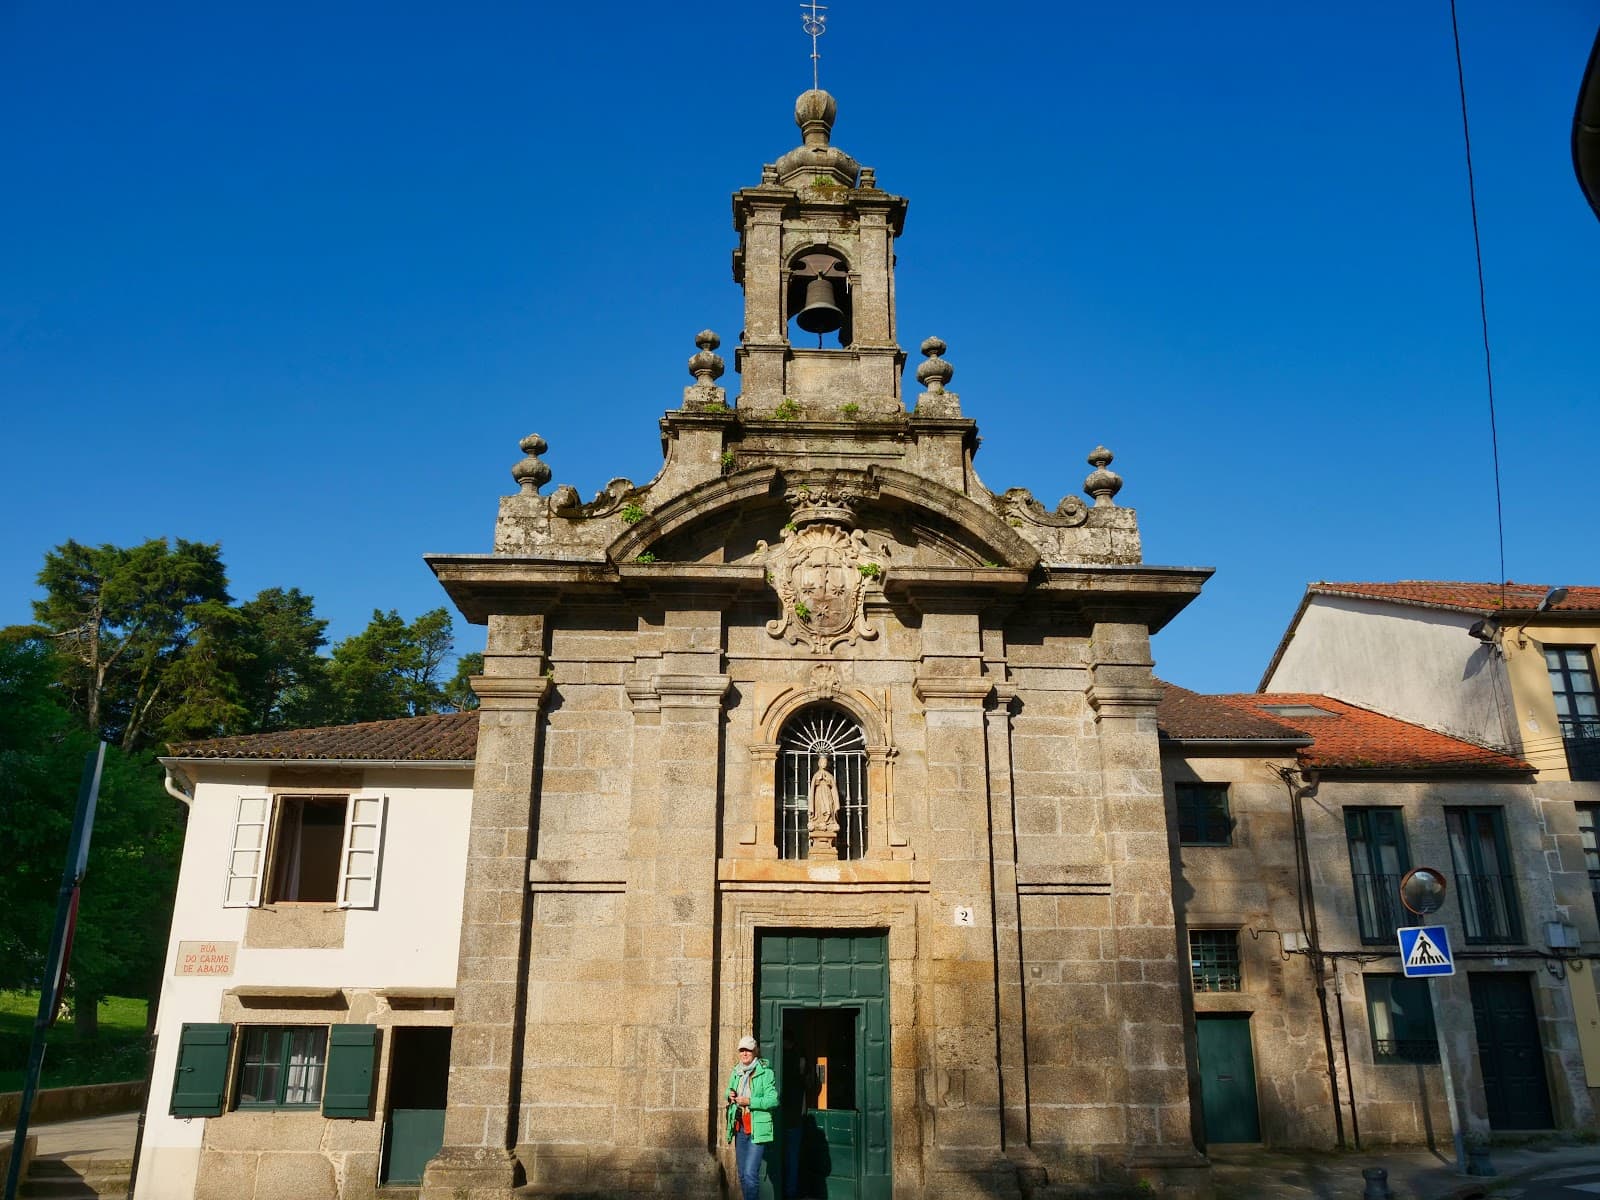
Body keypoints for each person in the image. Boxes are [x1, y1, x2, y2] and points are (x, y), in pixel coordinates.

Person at [724, 1034, 779, 1200]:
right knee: (741, 1174)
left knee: (749, 1174)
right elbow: (729, 1090)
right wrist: (730, 1095)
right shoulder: (736, 1071)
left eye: (748, 1050)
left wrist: (750, 1101)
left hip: (757, 1128)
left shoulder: (766, 1073)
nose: (744, 1053)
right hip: (740, 1128)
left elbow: (773, 1100)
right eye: (741, 1050)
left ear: (755, 1051)